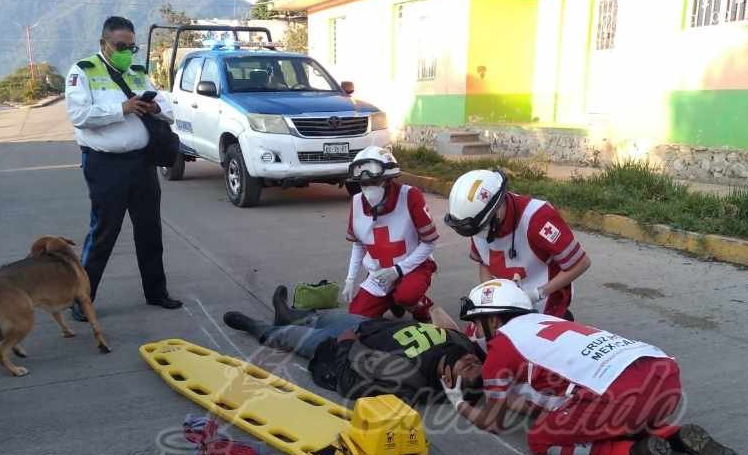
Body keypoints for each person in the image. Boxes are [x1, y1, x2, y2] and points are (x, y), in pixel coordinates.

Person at [442, 279, 748, 455]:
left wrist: (457, 400)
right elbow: (542, 399)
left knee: (540, 438)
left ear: (493, 321)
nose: (476, 331)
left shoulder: (501, 346)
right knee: (590, 414)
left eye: (478, 322)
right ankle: (675, 436)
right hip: (662, 375)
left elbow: (492, 422)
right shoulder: (546, 322)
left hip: (618, 398)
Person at [64, 15, 181, 322]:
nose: (127, 51)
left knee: (149, 230)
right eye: (120, 45)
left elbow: (167, 107)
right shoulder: (83, 71)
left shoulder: (138, 72)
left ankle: (157, 292)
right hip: (106, 165)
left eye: (131, 45)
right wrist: (122, 108)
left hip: (142, 164)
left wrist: (154, 107)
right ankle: (82, 300)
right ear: (104, 43)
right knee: (104, 232)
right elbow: (79, 115)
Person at [223, 286, 483, 405]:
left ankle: (257, 327)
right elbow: (453, 329)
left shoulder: (408, 377)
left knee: (289, 336)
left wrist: (347, 344)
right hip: (370, 325)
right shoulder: (465, 348)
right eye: (476, 366)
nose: (473, 364)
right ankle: (286, 312)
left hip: (345, 343)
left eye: (468, 372)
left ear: (449, 381)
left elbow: (351, 385)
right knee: (321, 316)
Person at [444, 169, 590, 320]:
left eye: (481, 228)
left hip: (545, 302)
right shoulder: (476, 222)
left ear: (497, 209)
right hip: (505, 304)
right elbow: (483, 262)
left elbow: (581, 263)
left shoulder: (538, 218)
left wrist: (537, 294)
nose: (478, 235)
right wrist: (492, 299)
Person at [342, 147, 438, 322]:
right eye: (363, 184)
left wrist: (398, 270)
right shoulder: (356, 203)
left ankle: (418, 305)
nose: (368, 189)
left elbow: (429, 242)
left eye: (374, 182)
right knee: (356, 318)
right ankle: (393, 299)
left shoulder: (410, 196)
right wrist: (350, 279)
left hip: (415, 266)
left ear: (388, 180)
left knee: (407, 295)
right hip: (379, 274)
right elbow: (359, 244)